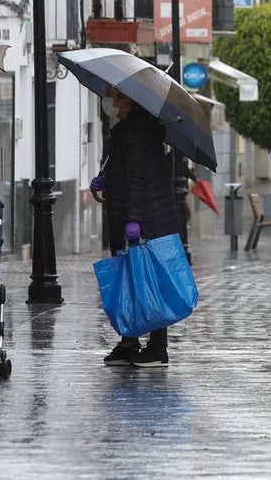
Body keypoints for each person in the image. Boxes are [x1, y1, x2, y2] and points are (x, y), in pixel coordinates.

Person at [96, 84, 182, 368]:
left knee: (147, 279)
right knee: (131, 279)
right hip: (139, 214)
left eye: (113, 94)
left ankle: (157, 348)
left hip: (141, 218)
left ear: (128, 98)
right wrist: (106, 179)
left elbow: (137, 179)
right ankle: (129, 342)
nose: (109, 100)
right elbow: (126, 170)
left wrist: (133, 219)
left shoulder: (134, 132)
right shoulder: (134, 128)